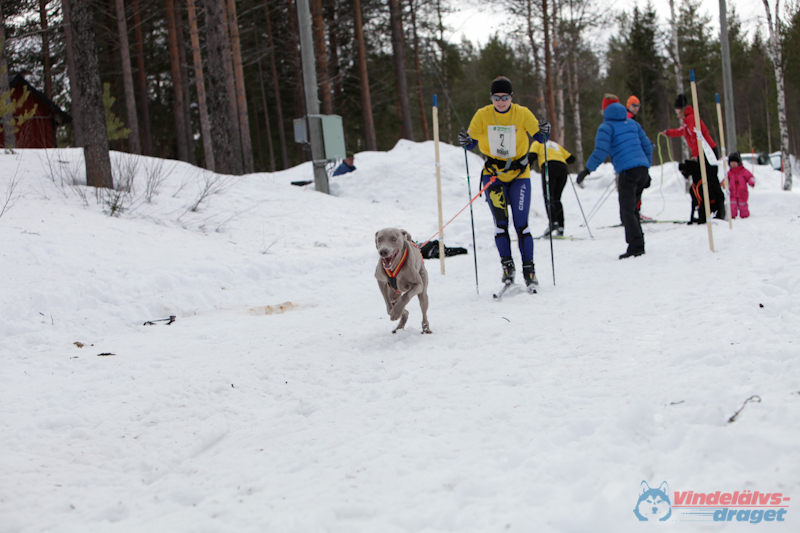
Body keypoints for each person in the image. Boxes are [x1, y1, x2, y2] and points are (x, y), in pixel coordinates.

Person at [458, 76, 549, 288]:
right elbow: (471, 143)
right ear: (491, 98)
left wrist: (545, 131)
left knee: (521, 224)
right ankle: (508, 268)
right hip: (493, 175)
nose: (500, 102)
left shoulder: (522, 113)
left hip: (520, 175)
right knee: (501, 224)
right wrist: (465, 142)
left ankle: (529, 269)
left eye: (505, 97)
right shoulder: (482, 115)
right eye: (496, 97)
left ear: (511, 97)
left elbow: (541, 138)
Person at [575, 94, 653, 259]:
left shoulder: (606, 127)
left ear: (605, 109)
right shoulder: (633, 123)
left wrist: (587, 170)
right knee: (633, 209)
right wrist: (647, 168)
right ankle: (639, 243)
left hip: (627, 171)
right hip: (642, 170)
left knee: (627, 210)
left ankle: (636, 246)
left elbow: (601, 151)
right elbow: (647, 146)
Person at [661, 94, 724, 219]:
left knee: (711, 180)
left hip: (707, 151)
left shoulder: (691, 118)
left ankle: (720, 208)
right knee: (702, 181)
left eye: (677, 109)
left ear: (681, 108)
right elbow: (681, 131)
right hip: (701, 152)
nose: (676, 112)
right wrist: (668, 133)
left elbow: (697, 137)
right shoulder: (686, 120)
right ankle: (706, 207)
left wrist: (695, 154)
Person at [530, 140, 575, 236]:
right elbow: (571, 159)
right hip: (563, 168)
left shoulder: (537, 143)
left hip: (549, 166)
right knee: (557, 198)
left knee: (548, 196)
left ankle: (553, 222)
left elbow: (532, 156)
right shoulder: (555, 144)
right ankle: (561, 226)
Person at [727, 152, 755, 218]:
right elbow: (726, 179)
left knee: (743, 205)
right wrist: (723, 183)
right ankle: (732, 216)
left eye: (735, 162)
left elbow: (750, 177)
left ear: (738, 162)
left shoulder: (744, 171)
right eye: (731, 162)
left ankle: (745, 216)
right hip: (732, 193)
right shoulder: (729, 173)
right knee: (732, 206)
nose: (733, 164)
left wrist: (751, 182)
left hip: (742, 192)